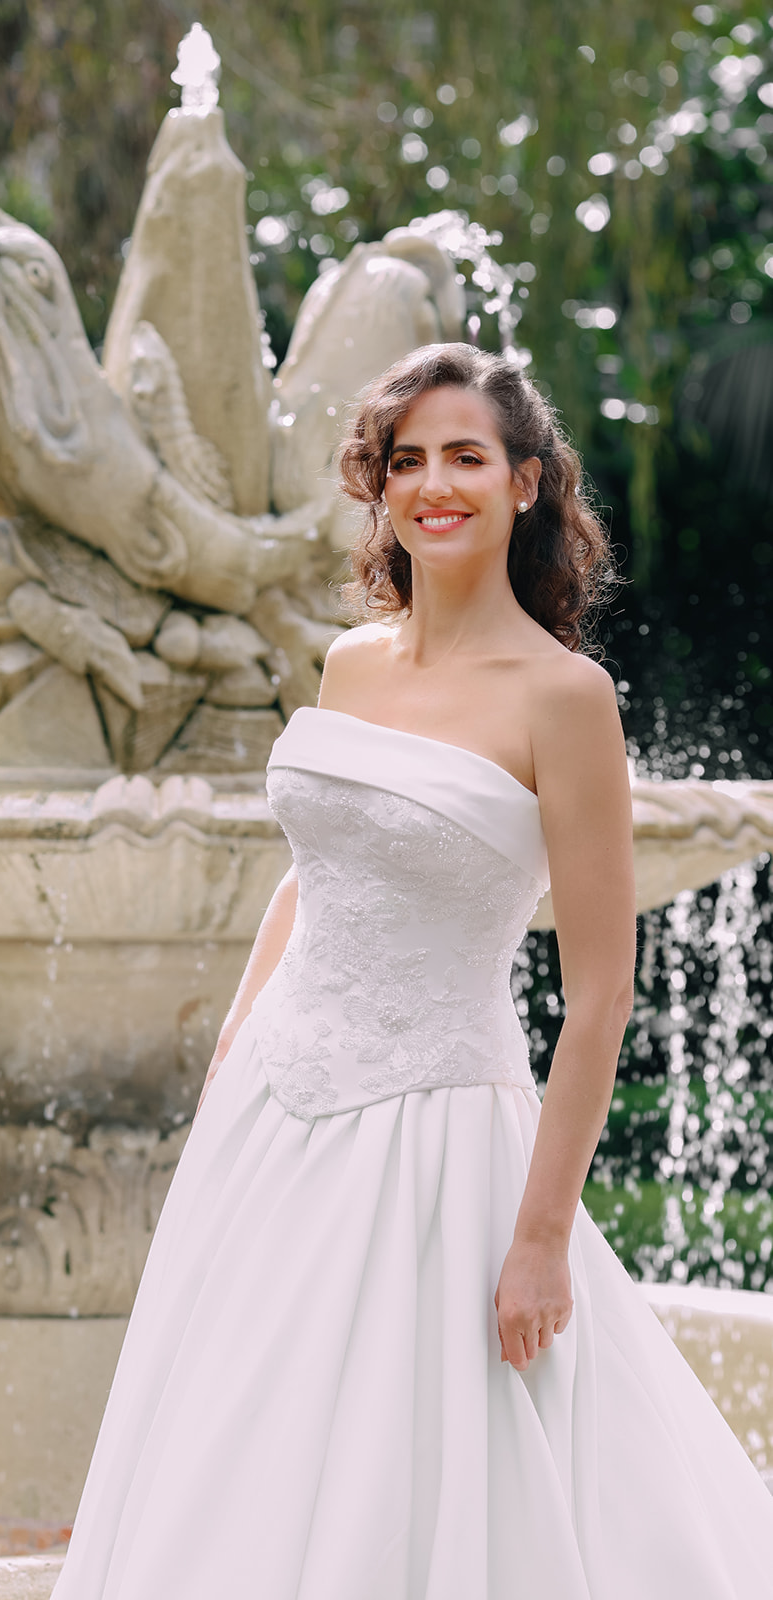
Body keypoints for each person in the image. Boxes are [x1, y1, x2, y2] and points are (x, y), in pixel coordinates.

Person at [51, 344, 773, 1599]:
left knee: (429, 1467)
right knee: (235, 1449)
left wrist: (539, 1237)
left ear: (525, 483)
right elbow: (312, 870)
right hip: (272, 1123)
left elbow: (601, 986)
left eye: (465, 457)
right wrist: (233, 1055)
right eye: (406, 460)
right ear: (379, 486)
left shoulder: (565, 698)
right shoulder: (351, 664)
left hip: (438, 1145)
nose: (433, 484)